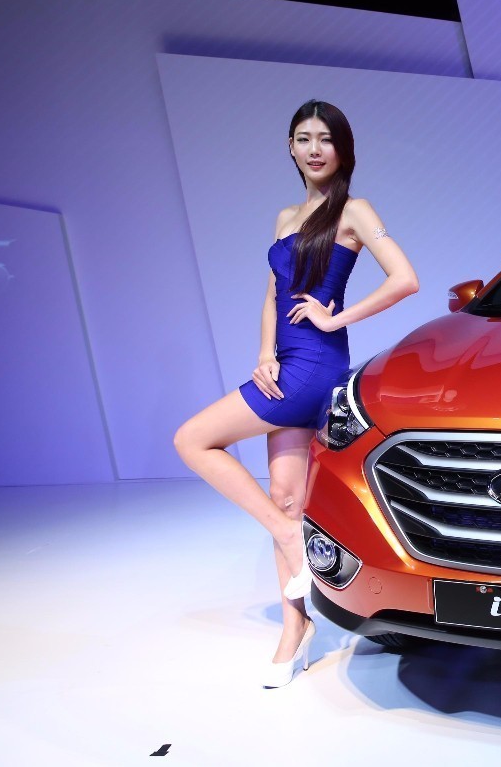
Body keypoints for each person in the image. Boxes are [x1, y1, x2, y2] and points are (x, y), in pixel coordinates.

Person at [174, 100, 419, 685]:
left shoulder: (354, 210)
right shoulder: (286, 215)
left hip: (314, 365)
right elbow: (272, 297)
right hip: (284, 363)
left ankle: (290, 537)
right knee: (286, 499)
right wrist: (264, 354)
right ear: (290, 147)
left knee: (192, 439)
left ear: (343, 149)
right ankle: (295, 630)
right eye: (304, 138)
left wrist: (336, 319)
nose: (314, 149)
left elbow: (406, 279)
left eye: (325, 138)